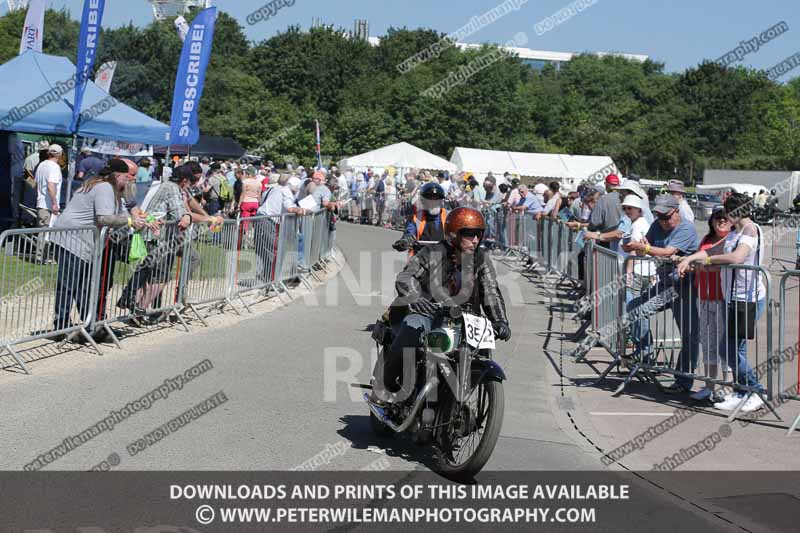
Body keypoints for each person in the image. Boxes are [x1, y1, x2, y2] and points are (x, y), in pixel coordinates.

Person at [375, 207, 511, 401]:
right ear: (454, 234)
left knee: (480, 352)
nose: (475, 240)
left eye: (478, 235)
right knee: (412, 329)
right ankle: (384, 387)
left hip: (463, 319)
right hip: (427, 313)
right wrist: (416, 297)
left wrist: (500, 321)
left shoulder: (481, 259)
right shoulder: (432, 253)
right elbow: (407, 276)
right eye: (469, 234)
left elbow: (490, 290)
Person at [677, 193, 767, 412]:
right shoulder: (736, 232)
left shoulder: (750, 230)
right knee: (735, 348)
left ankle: (756, 390)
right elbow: (715, 251)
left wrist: (705, 260)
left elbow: (737, 258)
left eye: (727, 211)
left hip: (747, 297)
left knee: (729, 350)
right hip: (733, 297)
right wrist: (691, 259)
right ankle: (741, 391)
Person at [51, 160, 154, 340]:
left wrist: (140, 220)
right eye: (126, 177)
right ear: (117, 175)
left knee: (84, 286)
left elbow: (120, 213)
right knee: (69, 284)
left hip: (83, 241)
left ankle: (91, 324)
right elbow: (105, 218)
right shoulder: (104, 188)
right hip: (71, 239)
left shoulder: (109, 189)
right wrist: (130, 221)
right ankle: (61, 326)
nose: (129, 181)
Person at [672, 207, 732, 403]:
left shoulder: (731, 240)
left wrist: (699, 262)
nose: (721, 221)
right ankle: (709, 385)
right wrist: (687, 264)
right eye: (717, 218)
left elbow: (719, 262)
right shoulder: (706, 239)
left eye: (724, 218)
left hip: (723, 297)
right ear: (712, 221)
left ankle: (727, 386)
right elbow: (700, 261)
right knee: (708, 343)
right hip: (705, 296)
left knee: (723, 345)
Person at [393, 182, 447, 257]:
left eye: (436, 199)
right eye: (430, 199)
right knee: (410, 268)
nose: (433, 203)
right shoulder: (416, 217)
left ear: (441, 201)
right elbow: (410, 231)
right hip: (420, 257)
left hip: (444, 257)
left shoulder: (448, 216)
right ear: (423, 201)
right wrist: (406, 240)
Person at [34, 144, 65, 263]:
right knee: (46, 231)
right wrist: (54, 203)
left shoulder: (42, 165)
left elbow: (36, 184)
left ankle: (42, 256)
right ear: (60, 154)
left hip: (41, 202)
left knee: (43, 230)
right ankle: (41, 257)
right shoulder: (54, 167)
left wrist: (39, 195)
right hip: (48, 205)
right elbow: (51, 185)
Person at [588, 174, 623, 248]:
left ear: (606, 184)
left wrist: (589, 228)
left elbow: (595, 222)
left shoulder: (603, 199)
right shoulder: (624, 198)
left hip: (605, 240)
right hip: (622, 240)